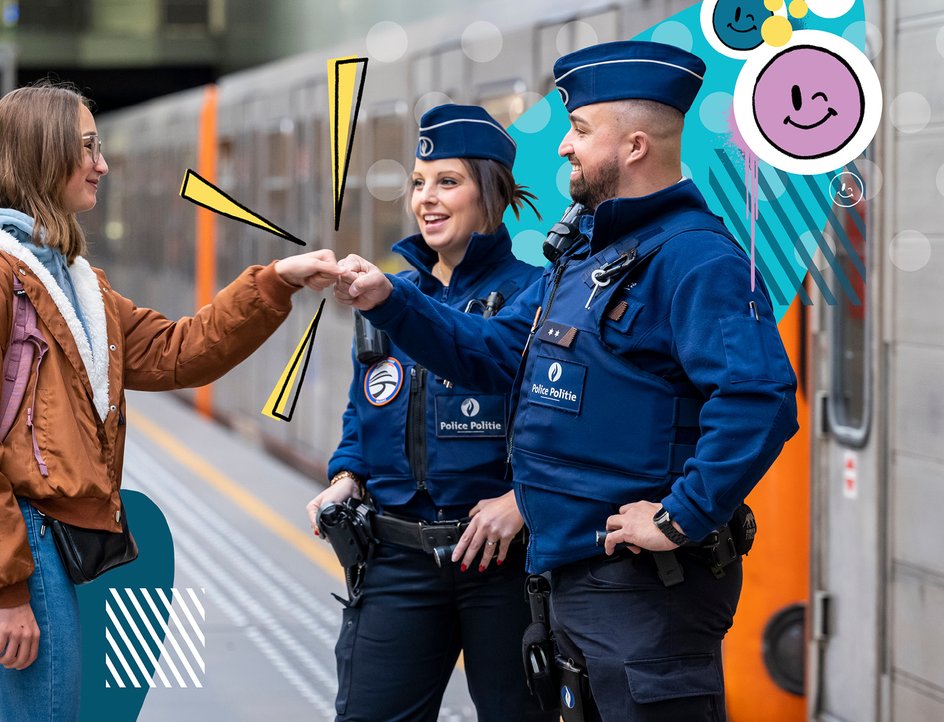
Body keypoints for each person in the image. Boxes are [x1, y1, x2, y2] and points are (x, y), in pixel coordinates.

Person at [332, 40, 798, 720]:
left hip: (645, 594)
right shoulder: (586, 257)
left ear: (633, 145)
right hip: (576, 588)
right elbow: (494, 353)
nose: (563, 148)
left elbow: (758, 400)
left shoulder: (696, 259)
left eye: (580, 131)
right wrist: (389, 300)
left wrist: (680, 516)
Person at [0, 82, 339, 721]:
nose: (101, 164)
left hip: (23, 541)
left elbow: (176, 350)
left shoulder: (71, 280)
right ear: (41, 155)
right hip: (21, 538)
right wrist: (8, 588)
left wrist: (273, 284)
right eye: (87, 147)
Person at [306, 104, 549, 721]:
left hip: (502, 565)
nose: (427, 199)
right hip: (396, 557)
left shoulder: (538, 293)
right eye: (418, 183)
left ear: (489, 192)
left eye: (448, 181)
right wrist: (346, 476)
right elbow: (367, 408)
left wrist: (523, 501)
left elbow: (562, 423)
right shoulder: (388, 291)